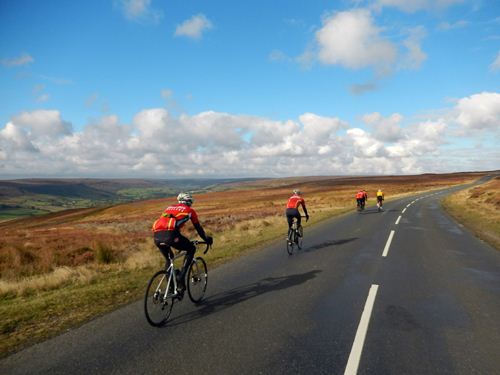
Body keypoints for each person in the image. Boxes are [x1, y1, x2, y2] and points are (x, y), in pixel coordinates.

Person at [152, 192, 213, 293]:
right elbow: (198, 228)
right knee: (191, 248)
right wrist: (207, 239)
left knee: (169, 259)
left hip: (157, 236)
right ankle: (181, 276)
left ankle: (171, 287)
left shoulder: (169, 208)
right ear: (189, 202)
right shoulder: (190, 211)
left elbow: (168, 223)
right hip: (171, 236)